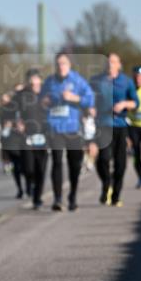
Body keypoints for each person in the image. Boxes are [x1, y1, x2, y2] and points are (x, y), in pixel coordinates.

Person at [41, 51, 94, 211]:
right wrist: (45, 101)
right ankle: (57, 199)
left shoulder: (78, 81)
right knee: (57, 161)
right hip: (55, 127)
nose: (60, 66)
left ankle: (72, 195)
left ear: (69, 65)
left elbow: (90, 99)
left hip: (73, 127)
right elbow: (41, 100)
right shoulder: (49, 82)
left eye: (63, 63)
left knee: (74, 164)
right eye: (58, 64)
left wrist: (74, 98)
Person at [89, 54, 138, 206]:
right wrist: (90, 107)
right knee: (103, 159)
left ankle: (116, 196)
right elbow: (88, 98)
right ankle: (106, 183)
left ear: (119, 64)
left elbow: (135, 102)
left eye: (113, 62)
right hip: (103, 124)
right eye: (108, 61)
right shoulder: (96, 80)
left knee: (120, 163)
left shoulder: (126, 81)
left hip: (120, 126)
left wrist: (124, 104)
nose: (110, 64)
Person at [15, 69, 49, 209]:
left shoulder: (46, 94)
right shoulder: (22, 95)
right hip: (27, 136)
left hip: (43, 135)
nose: (33, 81)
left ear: (40, 80)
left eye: (36, 78)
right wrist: (18, 122)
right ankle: (31, 182)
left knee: (41, 169)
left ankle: (37, 198)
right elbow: (14, 111)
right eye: (31, 79)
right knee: (28, 168)